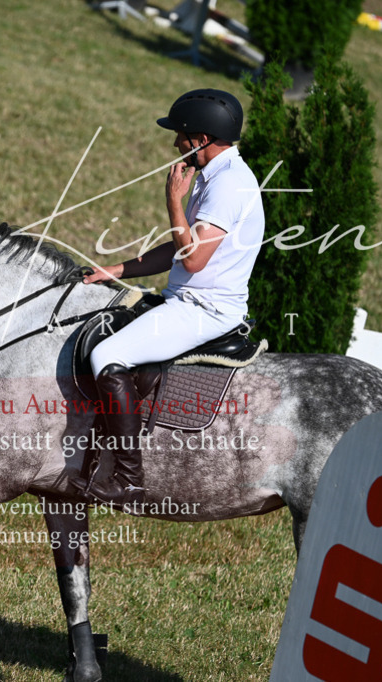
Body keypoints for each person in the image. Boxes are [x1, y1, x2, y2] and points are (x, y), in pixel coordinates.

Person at [75, 88, 265, 508]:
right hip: (183, 300)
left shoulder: (230, 185)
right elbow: (178, 247)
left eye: (180, 135)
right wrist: (117, 270)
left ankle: (128, 479)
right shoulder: (217, 175)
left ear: (200, 139)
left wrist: (173, 201)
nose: (175, 144)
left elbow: (194, 258)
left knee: (107, 357)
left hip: (205, 310)